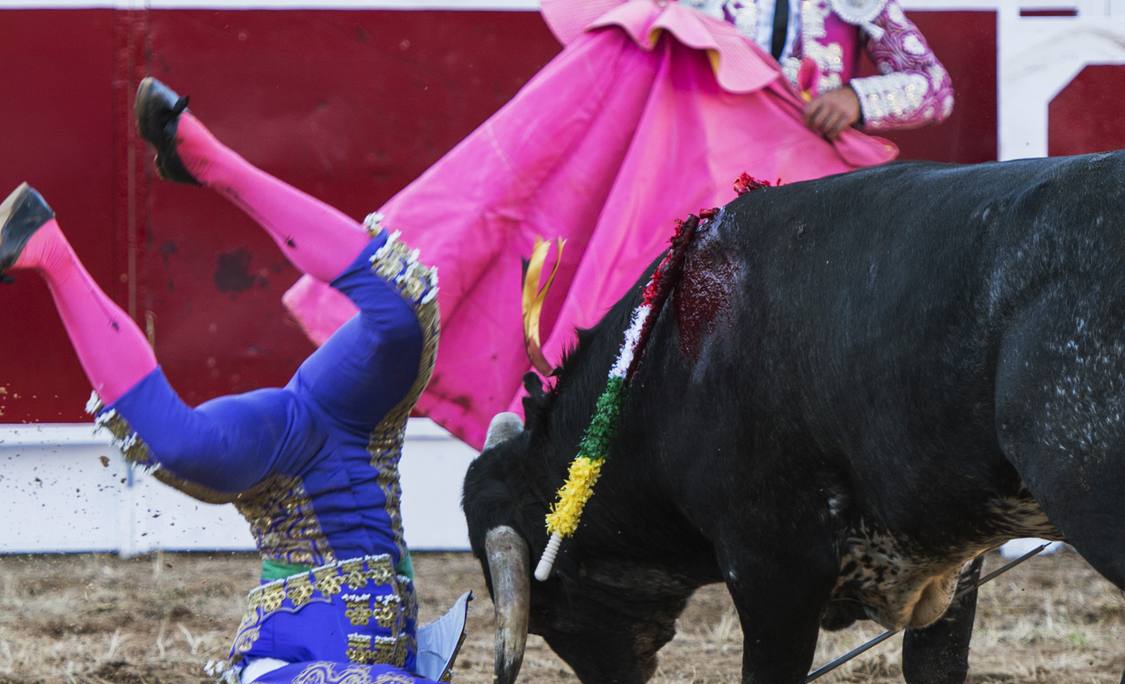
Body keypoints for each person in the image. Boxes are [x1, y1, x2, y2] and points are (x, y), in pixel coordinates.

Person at [0, 78, 628, 684]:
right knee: (404, 316)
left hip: (278, 472)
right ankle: (157, 189)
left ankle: (59, 244)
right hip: (360, 439)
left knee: (176, 448)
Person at [282, 0, 953, 447]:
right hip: (685, 176)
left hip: (800, 190)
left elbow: (931, 84)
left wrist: (856, 97)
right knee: (623, 310)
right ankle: (561, 442)